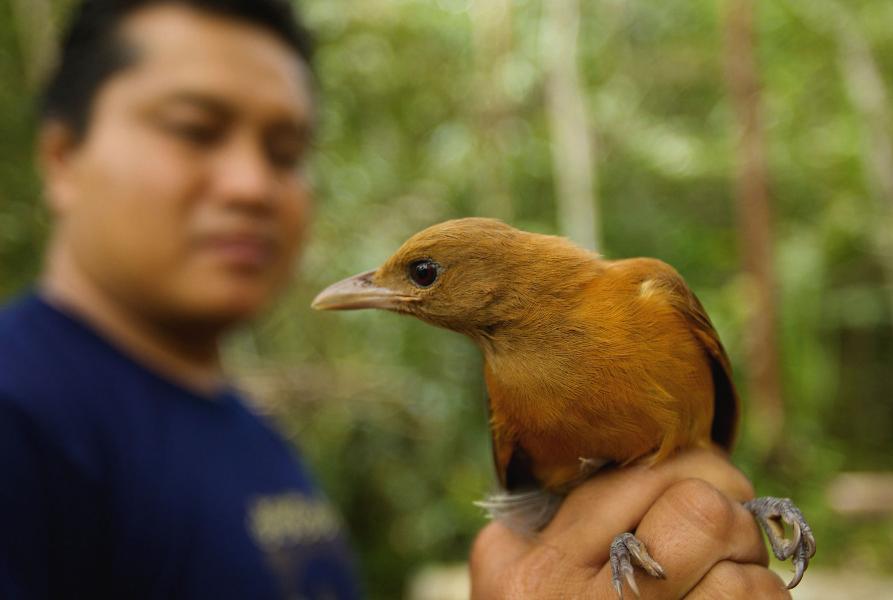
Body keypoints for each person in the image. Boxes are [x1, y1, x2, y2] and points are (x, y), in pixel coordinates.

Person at [0, 0, 788, 598]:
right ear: (61, 158)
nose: (249, 185)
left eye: (286, 151)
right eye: (194, 129)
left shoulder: (251, 435)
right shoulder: (20, 411)